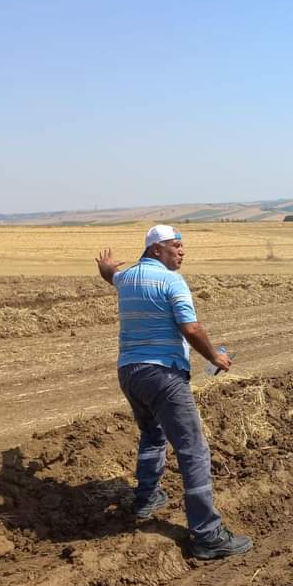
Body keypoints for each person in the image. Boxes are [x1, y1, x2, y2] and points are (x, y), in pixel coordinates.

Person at [95, 224, 252, 560]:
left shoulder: (127, 279)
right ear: (156, 250)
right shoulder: (171, 281)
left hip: (130, 373)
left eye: (182, 247)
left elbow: (114, 278)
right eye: (176, 246)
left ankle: (147, 498)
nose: (182, 252)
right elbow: (191, 327)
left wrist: (106, 270)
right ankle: (208, 535)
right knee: (193, 449)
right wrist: (214, 357)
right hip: (163, 374)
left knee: (153, 434)